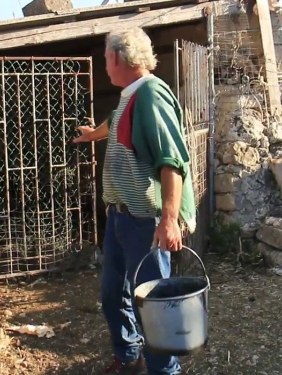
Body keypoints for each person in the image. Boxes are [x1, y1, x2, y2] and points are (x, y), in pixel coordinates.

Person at [73, 27, 196, 375]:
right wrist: (92, 134)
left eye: (106, 58)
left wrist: (169, 219)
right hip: (120, 218)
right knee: (114, 295)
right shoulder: (132, 95)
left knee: (155, 304)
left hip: (145, 221)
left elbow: (172, 161)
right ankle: (130, 359)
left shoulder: (152, 95)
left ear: (118, 58)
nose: (105, 65)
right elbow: (117, 123)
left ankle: (163, 371)